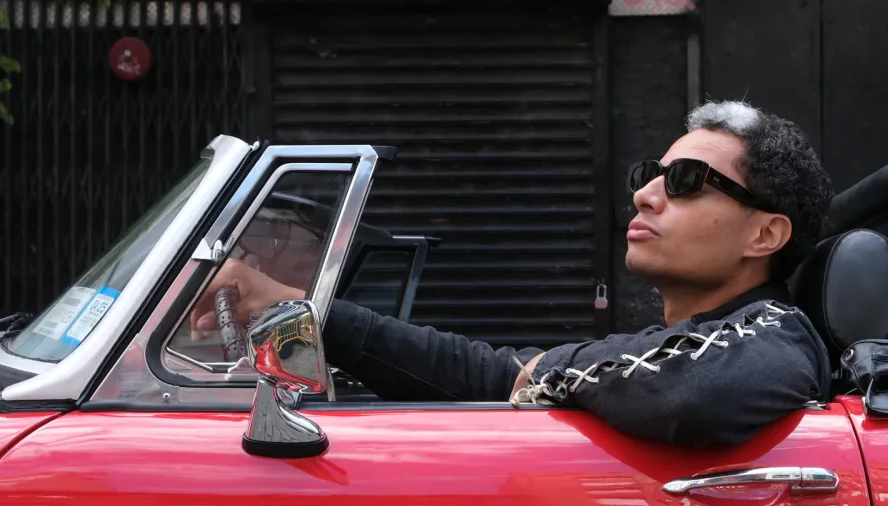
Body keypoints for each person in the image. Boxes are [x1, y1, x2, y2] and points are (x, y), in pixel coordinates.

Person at [192, 100, 835, 448]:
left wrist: (545, 373)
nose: (644, 196)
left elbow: (686, 397)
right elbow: (487, 375)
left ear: (765, 234)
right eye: (651, 176)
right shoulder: (670, 348)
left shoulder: (776, 335)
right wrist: (299, 308)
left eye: (687, 181)